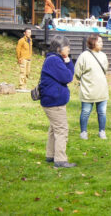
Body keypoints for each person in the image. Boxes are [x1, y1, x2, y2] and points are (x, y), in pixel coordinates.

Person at [39, 35, 76, 168]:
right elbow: (67, 77)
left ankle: (51, 155)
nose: (69, 49)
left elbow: (70, 74)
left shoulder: (55, 59)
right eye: (67, 47)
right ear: (60, 48)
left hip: (52, 100)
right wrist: (66, 60)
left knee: (54, 129)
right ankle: (60, 160)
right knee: (61, 130)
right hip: (54, 101)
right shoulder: (54, 60)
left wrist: (67, 60)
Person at [74, 34, 109, 140]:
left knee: (102, 112)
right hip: (88, 89)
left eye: (102, 42)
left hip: (102, 89)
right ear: (92, 42)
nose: (101, 44)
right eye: (99, 42)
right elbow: (77, 72)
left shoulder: (103, 55)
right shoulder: (84, 55)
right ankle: (83, 131)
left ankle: (102, 131)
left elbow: (105, 68)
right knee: (85, 111)